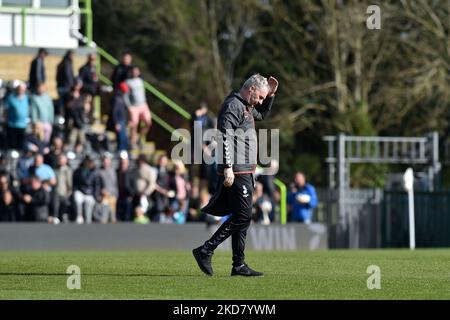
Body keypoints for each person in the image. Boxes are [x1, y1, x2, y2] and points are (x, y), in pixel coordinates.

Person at [192, 74, 278, 277]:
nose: (261, 102)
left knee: (243, 217)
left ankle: (238, 265)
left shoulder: (246, 106)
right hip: (237, 170)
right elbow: (224, 137)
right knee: (244, 216)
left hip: (245, 170)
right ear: (251, 90)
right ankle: (206, 249)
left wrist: (272, 94)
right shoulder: (234, 105)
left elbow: (262, 114)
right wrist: (228, 166)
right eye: (261, 97)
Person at [126, 66, 152, 149]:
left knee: (148, 123)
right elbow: (125, 95)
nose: (135, 72)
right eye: (133, 71)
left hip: (143, 104)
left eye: (136, 71)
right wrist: (129, 106)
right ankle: (132, 142)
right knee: (134, 124)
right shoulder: (128, 82)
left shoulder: (141, 81)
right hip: (134, 106)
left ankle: (139, 138)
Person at [72, 155, 101, 224]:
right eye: (88, 161)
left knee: (88, 211)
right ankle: (79, 215)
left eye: (90, 162)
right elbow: (75, 183)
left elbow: (97, 185)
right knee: (77, 198)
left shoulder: (95, 172)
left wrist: (96, 195)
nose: (89, 163)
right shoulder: (78, 171)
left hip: (90, 193)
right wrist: (75, 190)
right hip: (81, 191)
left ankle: (88, 221)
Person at [5, 81, 29, 151]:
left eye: (22, 89)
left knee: (21, 144)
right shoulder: (11, 98)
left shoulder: (26, 98)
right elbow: (6, 111)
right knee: (12, 144)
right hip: (12, 125)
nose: (21, 91)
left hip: (22, 125)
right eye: (20, 89)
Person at [107, 82, 129, 151]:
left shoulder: (120, 97)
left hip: (122, 121)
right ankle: (121, 152)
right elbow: (114, 111)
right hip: (119, 121)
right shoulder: (117, 98)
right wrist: (116, 123)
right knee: (121, 139)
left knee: (123, 139)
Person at [98, 153, 118, 223]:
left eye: (107, 160)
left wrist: (115, 194)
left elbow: (115, 184)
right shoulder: (99, 172)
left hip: (113, 195)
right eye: (104, 160)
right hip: (104, 196)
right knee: (104, 217)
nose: (106, 162)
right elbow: (98, 185)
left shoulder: (113, 171)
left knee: (113, 218)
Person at [56, 50, 75, 114]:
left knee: (61, 103)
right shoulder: (67, 63)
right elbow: (68, 76)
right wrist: (72, 86)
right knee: (64, 104)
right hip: (65, 87)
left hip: (61, 86)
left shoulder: (62, 63)